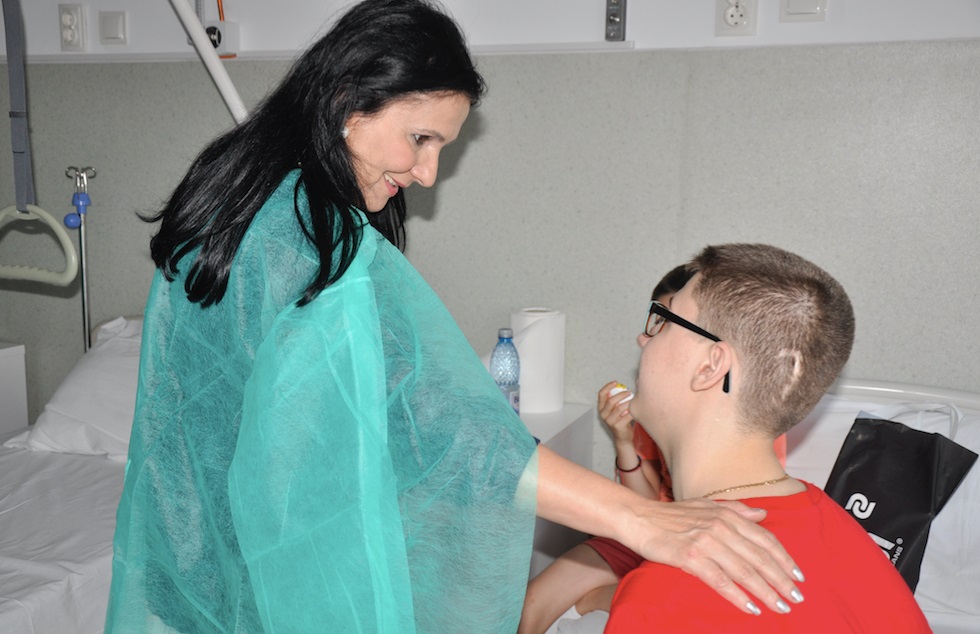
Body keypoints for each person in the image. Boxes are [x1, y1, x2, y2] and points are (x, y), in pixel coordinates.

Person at [105, 2, 805, 631]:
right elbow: (449, 425)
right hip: (273, 577)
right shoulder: (315, 238)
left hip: (188, 559)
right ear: (349, 101)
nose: (428, 173)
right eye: (420, 139)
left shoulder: (230, 192)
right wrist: (644, 520)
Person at [602, 243, 931, 632]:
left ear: (710, 367)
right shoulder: (847, 536)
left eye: (665, 320)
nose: (644, 339)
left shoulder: (663, 598)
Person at [519, 265, 690, 634]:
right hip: (635, 532)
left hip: (683, 543)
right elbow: (645, 506)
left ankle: (602, 598)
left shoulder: (735, 420)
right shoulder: (650, 404)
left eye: (668, 323)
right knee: (529, 609)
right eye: (655, 320)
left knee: (646, 603)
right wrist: (624, 440)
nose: (645, 338)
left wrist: (598, 598)